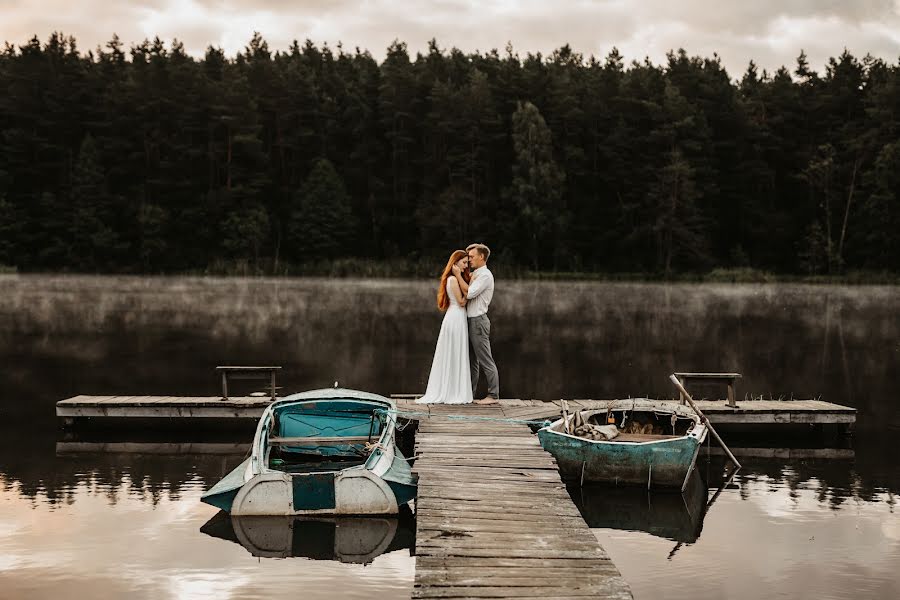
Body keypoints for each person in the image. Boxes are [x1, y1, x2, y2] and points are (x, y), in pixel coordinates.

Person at [415, 250, 474, 404]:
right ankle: (450, 391)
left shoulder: (453, 279)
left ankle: (453, 388)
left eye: (467, 262)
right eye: (464, 262)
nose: (466, 265)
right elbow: (461, 302)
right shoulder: (453, 279)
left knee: (455, 353)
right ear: (455, 263)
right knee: (453, 352)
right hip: (455, 318)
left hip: (456, 317)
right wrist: (473, 291)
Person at [461, 243, 499, 405]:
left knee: (485, 359)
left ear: (481, 257)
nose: (469, 259)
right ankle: (469, 394)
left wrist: (456, 275)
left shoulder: (485, 275)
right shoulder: (475, 274)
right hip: (470, 321)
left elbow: (470, 293)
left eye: (471, 256)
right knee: (471, 361)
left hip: (478, 321)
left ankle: (493, 395)